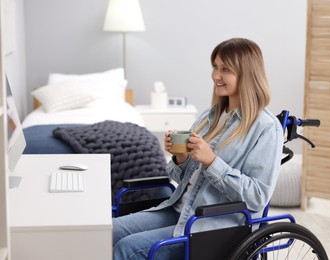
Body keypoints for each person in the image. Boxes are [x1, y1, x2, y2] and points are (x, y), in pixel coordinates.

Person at [113, 37, 284, 259]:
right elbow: (180, 178)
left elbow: (257, 196)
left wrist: (212, 162)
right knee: (109, 230)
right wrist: (180, 159)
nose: (215, 75)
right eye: (214, 67)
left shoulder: (266, 128)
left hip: (213, 225)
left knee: (128, 248)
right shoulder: (209, 116)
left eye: (225, 69)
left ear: (247, 74)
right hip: (179, 210)